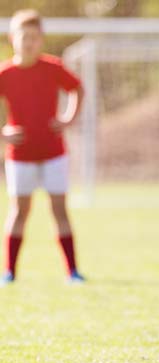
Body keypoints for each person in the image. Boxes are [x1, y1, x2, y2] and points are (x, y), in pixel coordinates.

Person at [0, 9, 85, 286]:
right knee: (19, 211)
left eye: (35, 37)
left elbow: (78, 88)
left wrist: (69, 118)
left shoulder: (52, 67)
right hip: (20, 155)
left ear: (41, 40)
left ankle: (72, 272)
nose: (29, 42)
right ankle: (9, 272)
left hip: (53, 153)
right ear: (13, 38)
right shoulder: (5, 73)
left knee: (59, 210)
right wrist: (3, 131)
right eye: (24, 36)